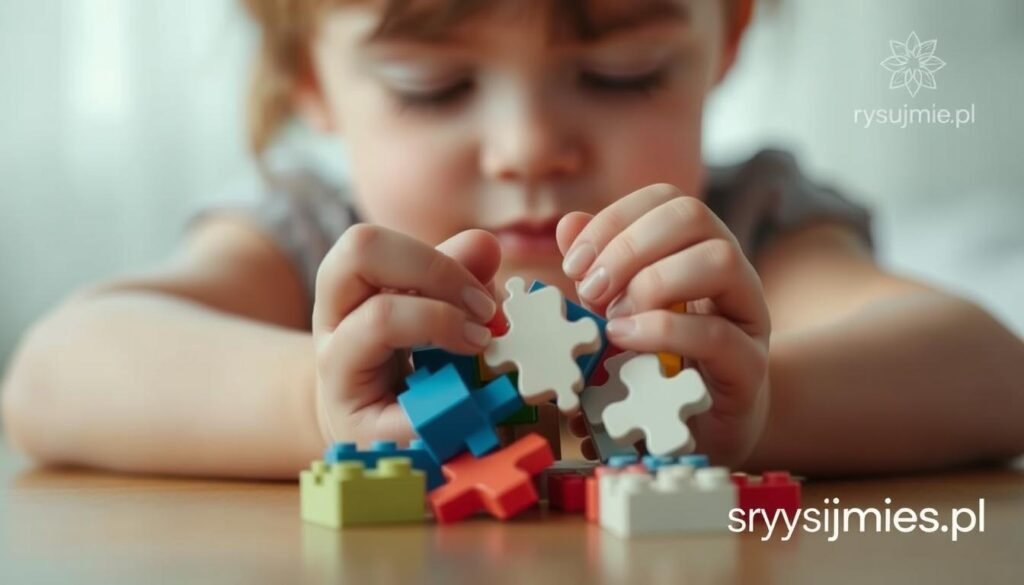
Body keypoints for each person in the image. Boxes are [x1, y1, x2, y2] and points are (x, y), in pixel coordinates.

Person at [3, 0, 1022, 479]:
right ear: (309, 81)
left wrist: (759, 402)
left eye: (622, 71)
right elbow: (52, 375)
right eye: (432, 89)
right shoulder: (311, 234)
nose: (529, 150)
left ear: (728, 38)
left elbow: (988, 375)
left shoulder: (747, 228)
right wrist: (322, 408)